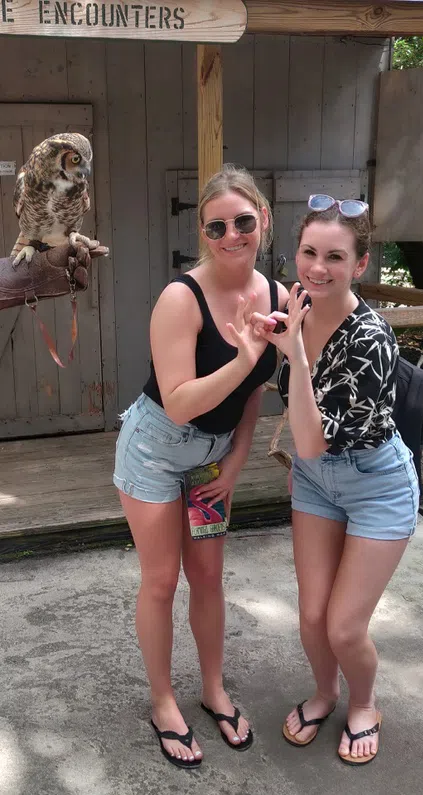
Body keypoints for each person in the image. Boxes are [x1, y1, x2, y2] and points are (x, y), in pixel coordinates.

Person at [113, 164, 288, 769]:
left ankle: (213, 689)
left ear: (262, 220)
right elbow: (182, 398)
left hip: (211, 463)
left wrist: (237, 463)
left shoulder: (279, 297)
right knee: (161, 580)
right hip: (155, 451)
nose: (232, 235)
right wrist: (244, 357)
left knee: (209, 577)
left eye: (243, 221)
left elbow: (256, 394)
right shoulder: (179, 298)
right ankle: (164, 701)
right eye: (217, 226)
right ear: (203, 233)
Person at [251, 194, 420, 766]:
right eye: (308, 252)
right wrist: (265, 339)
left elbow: (313, 439)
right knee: (312, 615)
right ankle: (325, 693)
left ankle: (364, 702)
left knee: (345, 628)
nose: (317, 268)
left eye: (335, 257)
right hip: (317, 482)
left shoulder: (370, 339)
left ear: (361, 264)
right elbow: (306, 446)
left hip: (377, 484)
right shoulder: (293, 307)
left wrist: (295, 357)